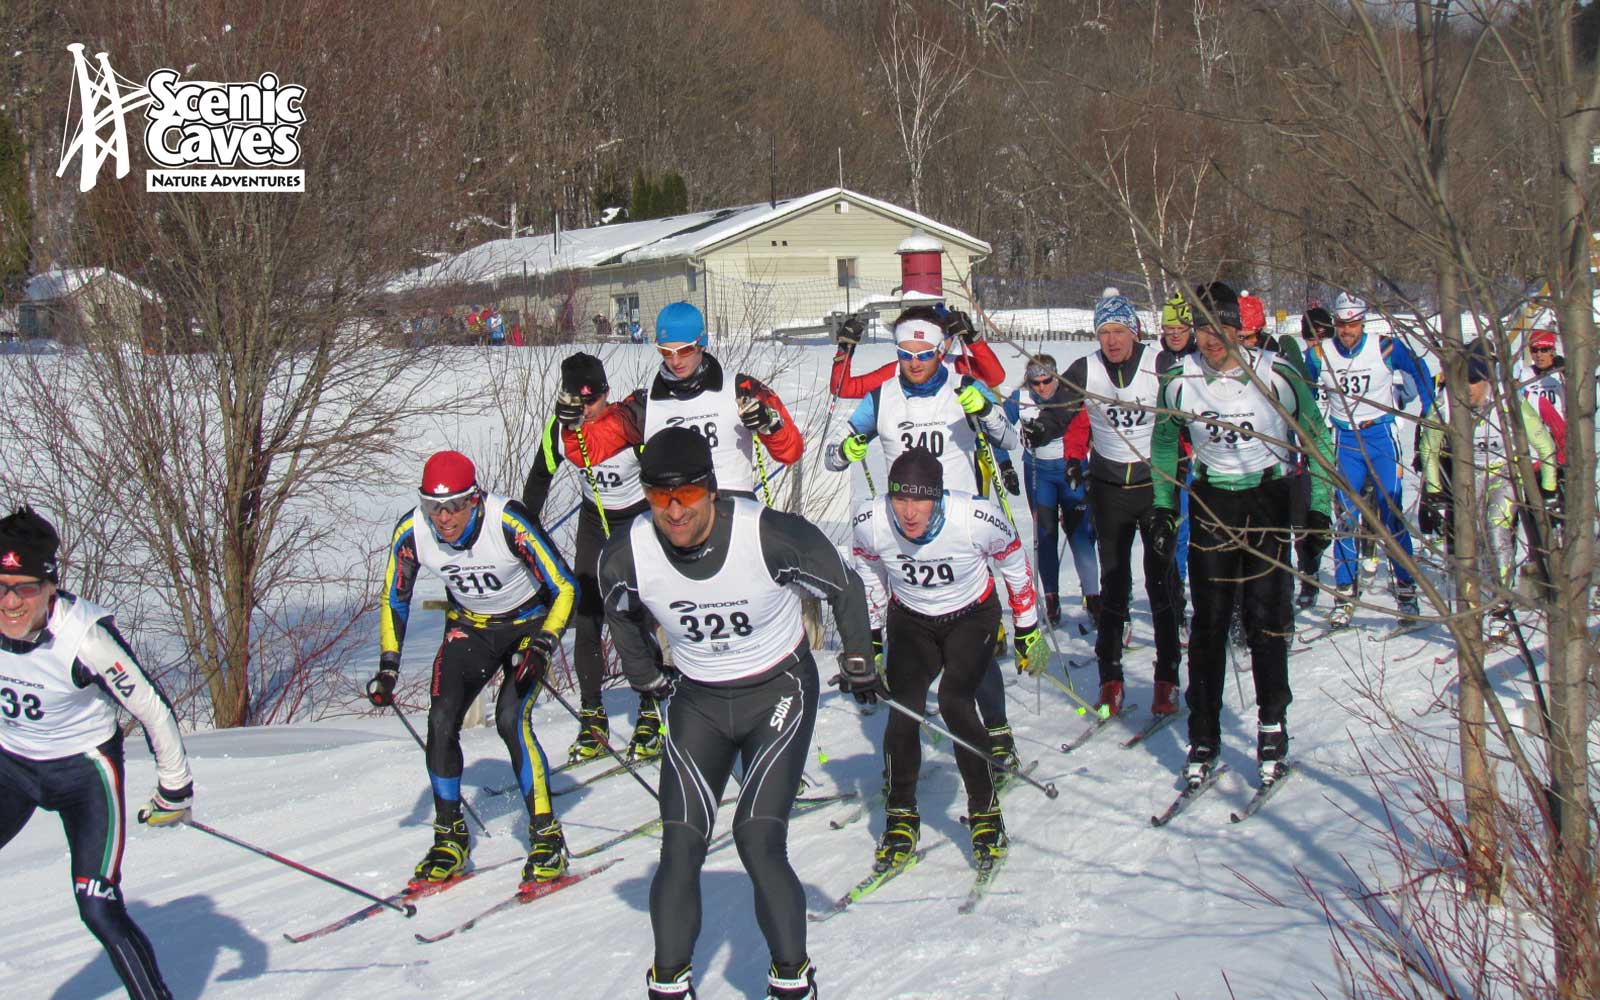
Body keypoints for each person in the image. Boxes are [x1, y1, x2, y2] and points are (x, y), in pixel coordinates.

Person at [598, 427, 873, 1000]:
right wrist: (643, 670)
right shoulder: (628, 552)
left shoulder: (768, 534)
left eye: (686, 495)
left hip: (778, 691)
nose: (673, 510)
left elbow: (843, 587)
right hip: (698, 701)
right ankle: (669, 986)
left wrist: (857, 655)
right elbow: (618, 610)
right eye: (657, 496)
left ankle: (793, 984)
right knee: (680, 844)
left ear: (712, 490)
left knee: (755, 837)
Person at [0, 506, 193, 1000]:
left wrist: (174, 788)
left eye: (23, 588)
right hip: (11, 768)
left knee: (98, 906)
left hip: (84, 775)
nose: (9, 603)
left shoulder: (84, 639)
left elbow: (153, 709)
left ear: (49, 587)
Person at [1149, 282, 1334, 788]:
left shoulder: (1276, 375)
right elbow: (1165, 444)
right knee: (1207, 625)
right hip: (1212, 502)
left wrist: (1318, 514)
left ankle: (1272, 725)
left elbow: (1316, 438)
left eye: (1223, 329)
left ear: (1242, 329)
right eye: (1204, 327)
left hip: (1266, 498)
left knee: (1267, 620)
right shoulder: (1179, 380)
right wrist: (1164, 510)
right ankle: (1203, 731)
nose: (1212, 339)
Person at [369, 451, 578, 886]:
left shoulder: (508, 522)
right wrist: (389, 666)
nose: (443, 518)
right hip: (470, 628)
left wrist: (544, 643)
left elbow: (564, 586)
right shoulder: (412, 531)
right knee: (441, 719)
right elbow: (395, 598)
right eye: (433, 507)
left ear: (475, 499)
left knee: (509, 719)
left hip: (527, 625)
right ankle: (449, 836)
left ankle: (546, 836)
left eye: (455, 506)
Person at [825, 306, 1022, 763]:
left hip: (961, 530)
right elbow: (832, 459)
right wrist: (847, 450)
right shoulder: (882, 395)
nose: (914, 362)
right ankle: (909, 732)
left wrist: (988, 412)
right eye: (905, 353)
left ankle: (998, 733)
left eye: (925, 353)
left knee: (974, 644)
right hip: (905, 531)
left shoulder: (962, 383)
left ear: (943, 349)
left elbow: (1011, 440)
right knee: (910, 635)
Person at [848, 448, 1045, 874]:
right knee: (903, 711)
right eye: (900, 499)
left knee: (956, 702)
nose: (909, 511)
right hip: (912, 619)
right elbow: (867, 570)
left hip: (971, 616)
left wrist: (1027, 628)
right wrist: (874, 639)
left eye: (920, 500)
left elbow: (1013, 558)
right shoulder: (872, 521)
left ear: (938, 497)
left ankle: (985, 811)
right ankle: (901, 816)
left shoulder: (973, 517)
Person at [523, 352, 662, 763]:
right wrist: (521, 536)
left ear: (606, 394)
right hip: (594, 522)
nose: (588, 411)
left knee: (638, 614)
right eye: (580, 403)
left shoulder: (628, 421)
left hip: (637, 518)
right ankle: (593, 717)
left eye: (595, 400)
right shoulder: (560, 430)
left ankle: (650, 710)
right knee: (586, 616)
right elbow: (538, 481)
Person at [1058, 291, 1183, 718]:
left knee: (1160, 584)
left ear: (1135, 331)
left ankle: (1167, 677)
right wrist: (1040, 430)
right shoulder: (1085, 369)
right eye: (1104, 332)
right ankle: (1110, 677)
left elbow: (1190, 407)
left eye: (1119, 331)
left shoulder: (1160, 365)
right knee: (1113, 588)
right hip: (1109, 490)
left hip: (1155, 488)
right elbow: (1061, 410)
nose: (1112, 341)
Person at [1303, 292, 1435, 628]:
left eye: (1354, 324)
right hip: (1345, 439)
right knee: (1345, 517)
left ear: (1363, 321)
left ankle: (1406, 592)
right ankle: (1345, 594)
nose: (1348, 331)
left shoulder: (1384, 347)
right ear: (1335, 323)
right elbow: (1302, 393)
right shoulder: (1320, 353)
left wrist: (1429, 408)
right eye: (1342, 324)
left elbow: (1420, 369)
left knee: (1390, 513)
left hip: (1380, 437)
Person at [1418, 342, 1557, 643]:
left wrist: (1548, 487)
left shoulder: (1508, 403)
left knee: (1496, 532)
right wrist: (1432, 491)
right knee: (1469, 541)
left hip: (1503, 475)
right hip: (1468, 476)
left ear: (1487, 380)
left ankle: (1501, 609)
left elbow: (1545, 444)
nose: (1468, 389)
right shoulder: (1449, 401)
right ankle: (1471, 607)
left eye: (1474, 382)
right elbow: (1428, 445)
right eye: (1462, 381)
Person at [629, 301, 803, 500]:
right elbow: (595, 443)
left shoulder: (740, 387)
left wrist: (770, 423)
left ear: (701, 344)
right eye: (667, 352)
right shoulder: (644, 404)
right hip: (676, 515)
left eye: (685, 350)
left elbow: (792, 452)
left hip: (733, 509)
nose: (676, 361)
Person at [1005, 355, 1099, 628]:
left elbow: (1091, 429)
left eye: (1048, 381)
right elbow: (997, 426)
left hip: (1072, 469)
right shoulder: (1020, 397)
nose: (1043, 387)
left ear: (1057, 377)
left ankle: (1093, 596)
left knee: (1081, 534)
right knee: (1045, 535)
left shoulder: (1070, 395)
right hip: (1038, 473)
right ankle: (1052, 599)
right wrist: (1004, 464)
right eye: (1036, 382)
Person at [829, 305, 1005, 398]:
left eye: (947, 338)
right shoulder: (898, 370)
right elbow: (843, 390)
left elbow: (995, 377)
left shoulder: (957, 365)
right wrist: (845, 352)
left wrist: (972, 340)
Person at [1292, 307, 1337, 607]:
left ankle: (1365, 552)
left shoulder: (1338, 360)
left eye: (1320, 340)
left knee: (1350, 506)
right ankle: (1310, 575)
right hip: (1311, 444)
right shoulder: (1304, 364)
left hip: (1342, 440)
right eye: (1310, 341)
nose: (1315, 347)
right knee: (1307, 516)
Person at [1520, 328, 1567, 497]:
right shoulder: (1525, 375)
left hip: (1561, 442)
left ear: (1553, 351)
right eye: (1535, 350)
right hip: (1536, 443)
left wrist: (1566, 373)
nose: (1539, 355)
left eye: (1544, 350)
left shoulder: (1561, 375)